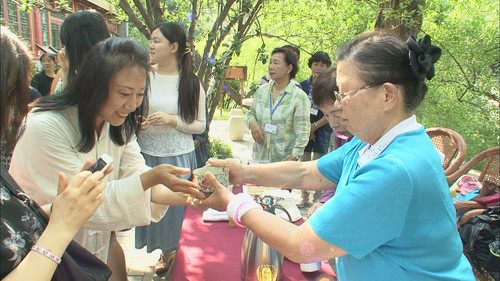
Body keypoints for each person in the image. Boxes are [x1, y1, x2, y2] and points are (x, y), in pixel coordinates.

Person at [200, 31, 475, 280]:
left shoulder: (394, 169)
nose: (340, 106)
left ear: (388, 96)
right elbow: (308, 172)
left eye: (345, 93)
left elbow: (301, 246)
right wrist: (243, 172)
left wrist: (232, 202)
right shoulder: (377, 141)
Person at [9, 37, 205, 281]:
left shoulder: (116, 124)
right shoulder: (46, 127)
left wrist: (196, 196)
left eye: (140, 94)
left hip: (90, 257)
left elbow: (139, 178)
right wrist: (152, 178)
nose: (133, 105)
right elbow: (86, 205)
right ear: (94, 86)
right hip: (44, 262)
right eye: (124, 93)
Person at [1, 26, 108, 281]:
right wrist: (62, 227)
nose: (13, 116)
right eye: (9, 97)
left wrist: (62, 207)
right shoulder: (45, 123)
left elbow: (15, 222)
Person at [134, 22, 206, 273]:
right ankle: (164, 251)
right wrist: (137, 123)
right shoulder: (143, 75)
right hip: (145, 154)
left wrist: (172, 120)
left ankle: (174, 252)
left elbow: (199, 125)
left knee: (177, 211)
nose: (151, 46)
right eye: (151, 40)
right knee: (150, 206)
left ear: (174, 47)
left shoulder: (190, 82)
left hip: (178, 157)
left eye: (157, 41)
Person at [246, 47, 310, 163]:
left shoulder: (299, 97)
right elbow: (250, 114)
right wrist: (253, 123)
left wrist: (294, 157)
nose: (271, 66)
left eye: (276, 63)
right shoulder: (261, 91)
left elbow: (303, 133)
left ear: (289, 68)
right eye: (270, 62)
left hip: (283, 163)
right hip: (260, 159)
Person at [305, 67, 353, 219]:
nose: (333, 123)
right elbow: (333, 174)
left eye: (337, 114)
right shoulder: (341, 135)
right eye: (326, 115)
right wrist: (325, 201)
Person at [297, 51, 332, 207]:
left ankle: (318, 197)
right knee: (303, 164)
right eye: (316, 64)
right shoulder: (302, 86)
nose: (318, 68)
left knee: (320, 165)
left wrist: (315, 126)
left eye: (323, 66)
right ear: (310, 65)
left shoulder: (330, 86)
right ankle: (303, 195)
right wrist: (308, 128)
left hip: (323, 129)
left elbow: (332, 110)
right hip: (303, 128)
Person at [50, 10, 110, 95]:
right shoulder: (64, 72)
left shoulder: (112, 76)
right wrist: (66, 72)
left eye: (69, 45)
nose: (64, 50)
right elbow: (58, 104)